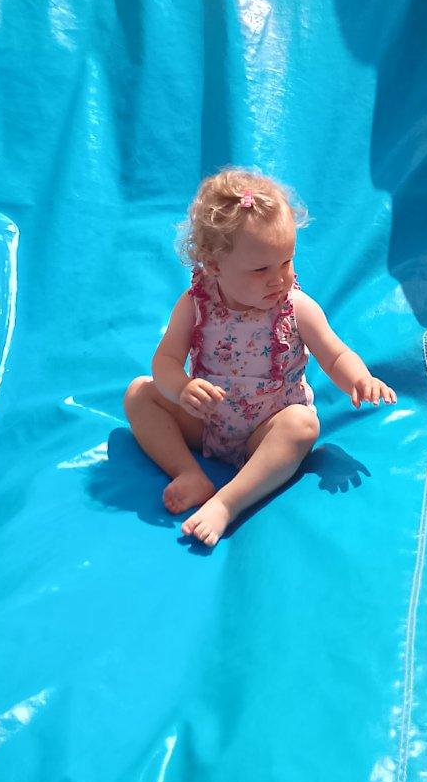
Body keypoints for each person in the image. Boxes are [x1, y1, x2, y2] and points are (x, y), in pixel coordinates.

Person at [123, 168, 396, 546]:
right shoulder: (195, 304)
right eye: (261, 269)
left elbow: (335, 355)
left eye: (286, 262)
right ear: (213, 266)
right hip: (207, 422)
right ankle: (188, 473)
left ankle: (227, 502)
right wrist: (181, 389)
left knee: (303, 425)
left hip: (265, 430)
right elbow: (165, 360)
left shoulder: (296, 308)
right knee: (139, 393)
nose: (278, 279)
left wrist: (359, 379)